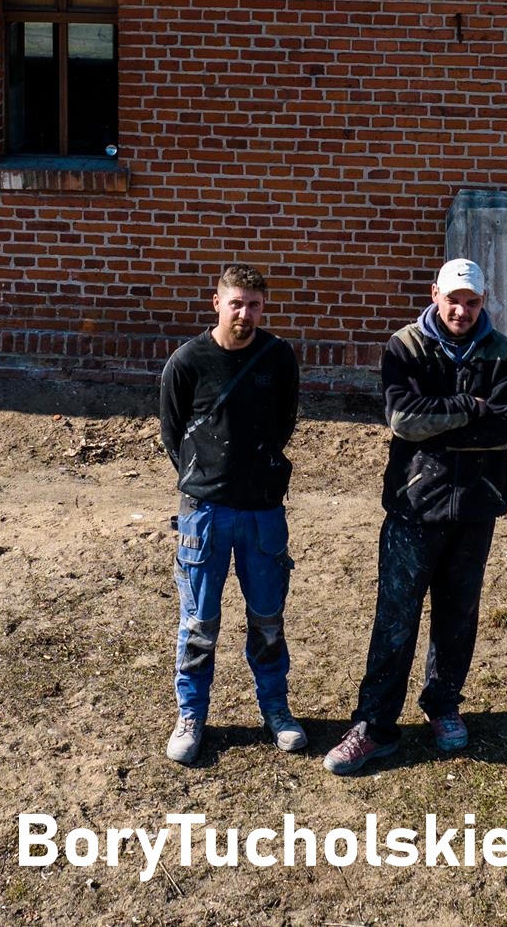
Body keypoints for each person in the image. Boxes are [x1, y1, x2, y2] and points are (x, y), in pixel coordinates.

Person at [325, 257, 507, 775]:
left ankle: (443, 705)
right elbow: (403, 421)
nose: (461, 311)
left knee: (458, 616)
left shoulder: (503, 353)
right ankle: (374, 726)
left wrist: (442, 418)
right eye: (453, 299)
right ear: (435, 294)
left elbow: (503, 430)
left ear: (484, 302)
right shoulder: (405, 347)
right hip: (414, 505)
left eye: (472, 302)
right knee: (395, 619)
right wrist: (470, 406)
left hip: (475, 506)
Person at [157, 263, 305, 766]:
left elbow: (284, 421)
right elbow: (172, 434)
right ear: (216, 303)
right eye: (236, 303)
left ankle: (276, 709)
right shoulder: (187, 362)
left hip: (263, 511)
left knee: (267, 619)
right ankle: (191, 714)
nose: (245, 313)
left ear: (264, 308)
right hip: (204, 513)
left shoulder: (278, 357)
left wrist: (254, 471)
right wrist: (207, 477)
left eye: (254, 305)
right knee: (199, 622)